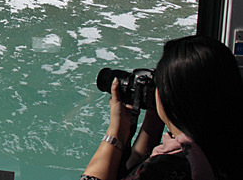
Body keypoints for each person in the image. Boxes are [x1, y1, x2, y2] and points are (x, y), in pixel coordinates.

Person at [80, 35, 243, 180]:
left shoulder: (171, 166)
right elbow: (136, 168)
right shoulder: (223, 145)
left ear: (170, 97)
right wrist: (154, 120)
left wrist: (116, 129)